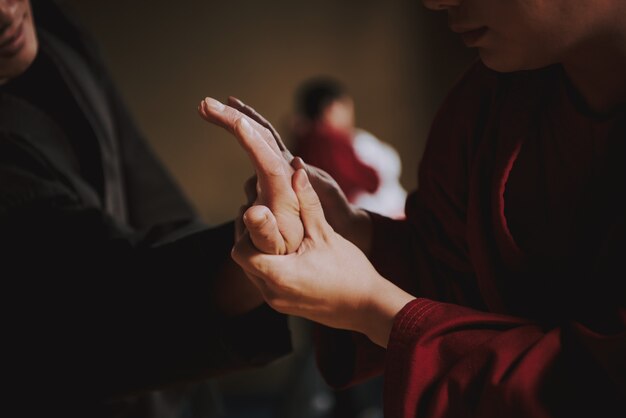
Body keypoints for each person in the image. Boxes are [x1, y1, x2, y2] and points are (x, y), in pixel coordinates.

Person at [198, 0, 626, 417]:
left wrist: (373, 306)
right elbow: (451, 263)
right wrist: (351, 230)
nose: (434, 2)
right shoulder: (488, 97)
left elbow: (595, 388)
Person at [0, 1, 292, 417]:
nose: (6, 14)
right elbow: (90, 293)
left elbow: (148, 188)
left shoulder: (54, 27)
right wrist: (246, 265)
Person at [291, 76, 407, 219]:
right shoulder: (330, 143)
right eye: (346, 107)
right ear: (331, 108)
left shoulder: (303, 142)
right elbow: (368, 180)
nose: (351, 114)